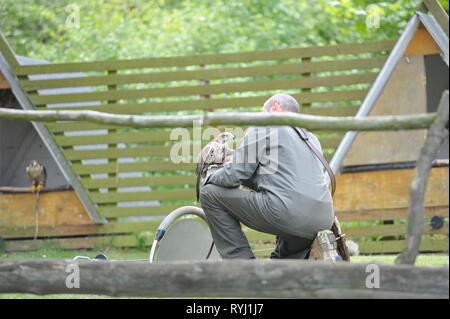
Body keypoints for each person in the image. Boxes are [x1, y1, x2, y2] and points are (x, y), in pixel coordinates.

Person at [200, 93, 335, 259]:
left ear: (275, 106)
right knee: (282, 266)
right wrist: (235, 161)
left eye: (262, 110)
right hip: (322, 220)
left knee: (209, 194)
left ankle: (242, 267)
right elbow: (278, 179)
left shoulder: (266, 123)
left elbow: (233, 176)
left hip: (288, 213)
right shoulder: (311, 138)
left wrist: (211, 173)